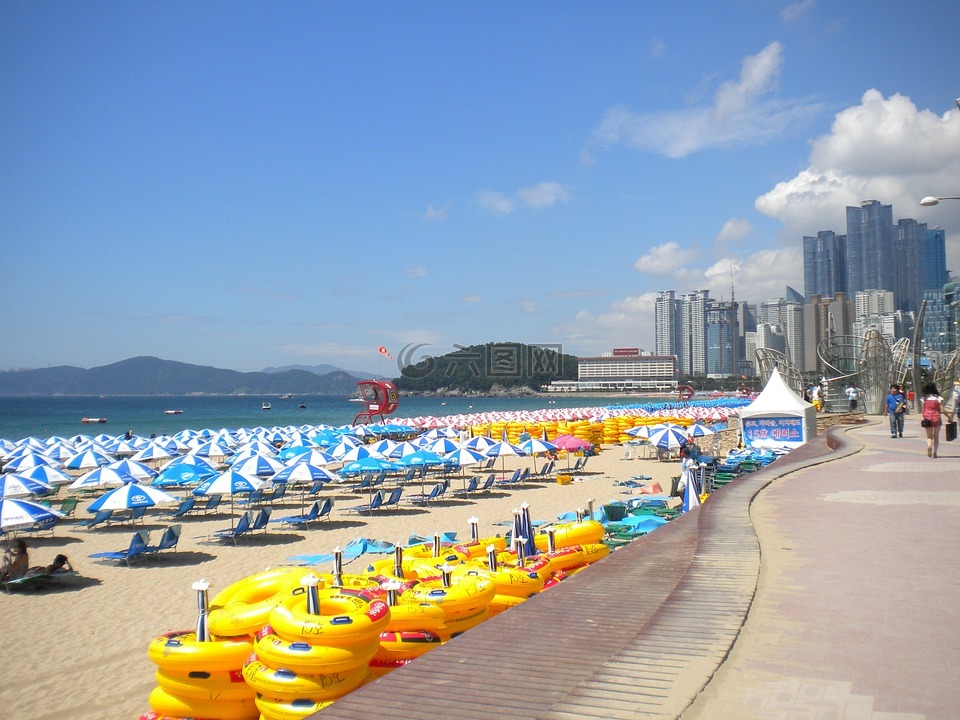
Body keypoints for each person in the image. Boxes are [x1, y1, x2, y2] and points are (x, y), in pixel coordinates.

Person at [920, 382, 946, 459]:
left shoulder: (924, 398)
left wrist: (924, 418)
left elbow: (922, 410)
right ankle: (935, 452)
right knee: (936, 436)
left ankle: (929, 446)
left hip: (927, 418)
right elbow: (943, 410)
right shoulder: (938, 398)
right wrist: (949, 417)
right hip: (937, 418)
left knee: (929, 437)